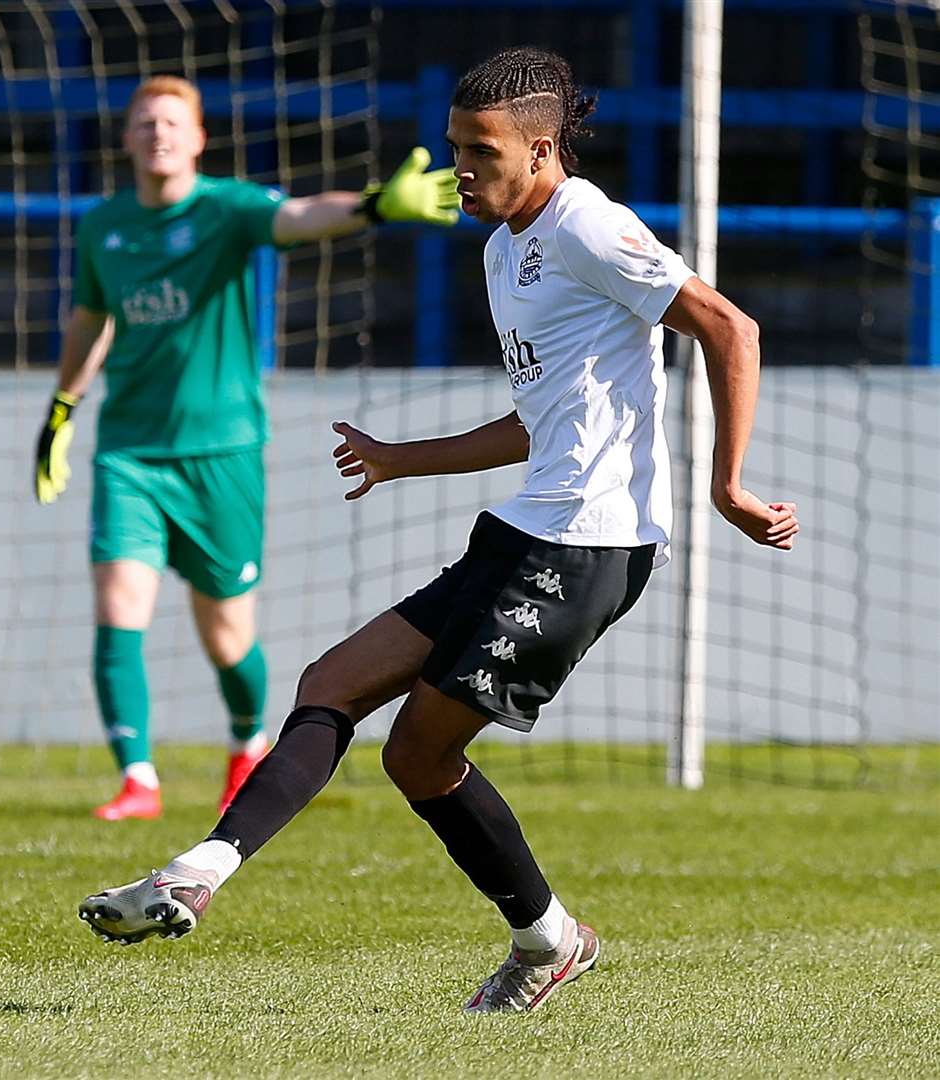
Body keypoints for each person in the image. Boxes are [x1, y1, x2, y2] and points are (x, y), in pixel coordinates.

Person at [78, 47, 799, 1012]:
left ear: (541, 151)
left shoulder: (589, 225)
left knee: (417, 752)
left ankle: (547, 944)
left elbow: (728, 326)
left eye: (480, 150)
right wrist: (398, 456)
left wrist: (728, 485)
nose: (460, 168)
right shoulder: (506, 247)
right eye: (456, 147)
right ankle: (195, 874)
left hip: (589, 546)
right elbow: (538, 418)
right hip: (525, 529)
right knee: (331, 684)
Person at [36, 74, 460, 820]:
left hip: (222, 453)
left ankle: (244, 745)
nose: (157, 132)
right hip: (129, 451)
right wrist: (64, 406)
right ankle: (138, 777)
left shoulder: (226, 209)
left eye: (171, 121)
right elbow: (89, 322)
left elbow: (298, 216)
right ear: (127, 137)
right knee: (118, 604)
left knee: (227, 633)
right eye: (144, 122)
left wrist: (371, 206)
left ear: (198, 138)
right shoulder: (103, 225)